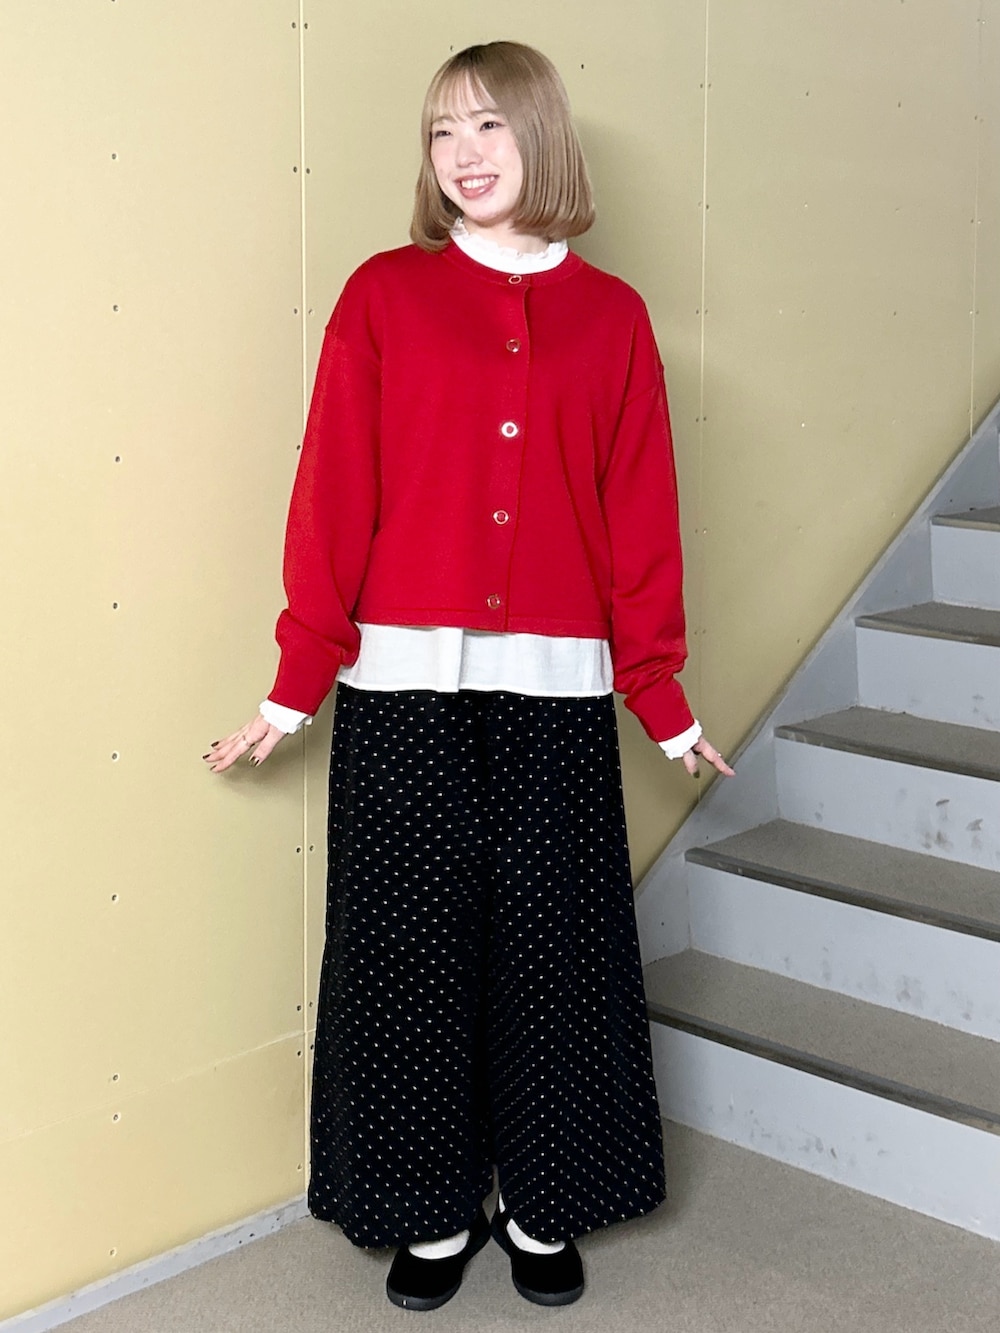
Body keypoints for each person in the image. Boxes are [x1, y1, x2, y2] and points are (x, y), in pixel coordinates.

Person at [204, 39, 733, 1313]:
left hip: (559, 690)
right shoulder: (385, 295)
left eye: (489, 124)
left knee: (558, 956)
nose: (463, 153)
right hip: (400, 689)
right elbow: (334, 490)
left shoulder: (612, 319)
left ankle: (545, 1204)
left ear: (541, 135)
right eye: (442, 132)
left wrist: (661, 700)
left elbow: (639, 519)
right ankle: (428, 1210)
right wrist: (296, 679)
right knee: (404, 957)